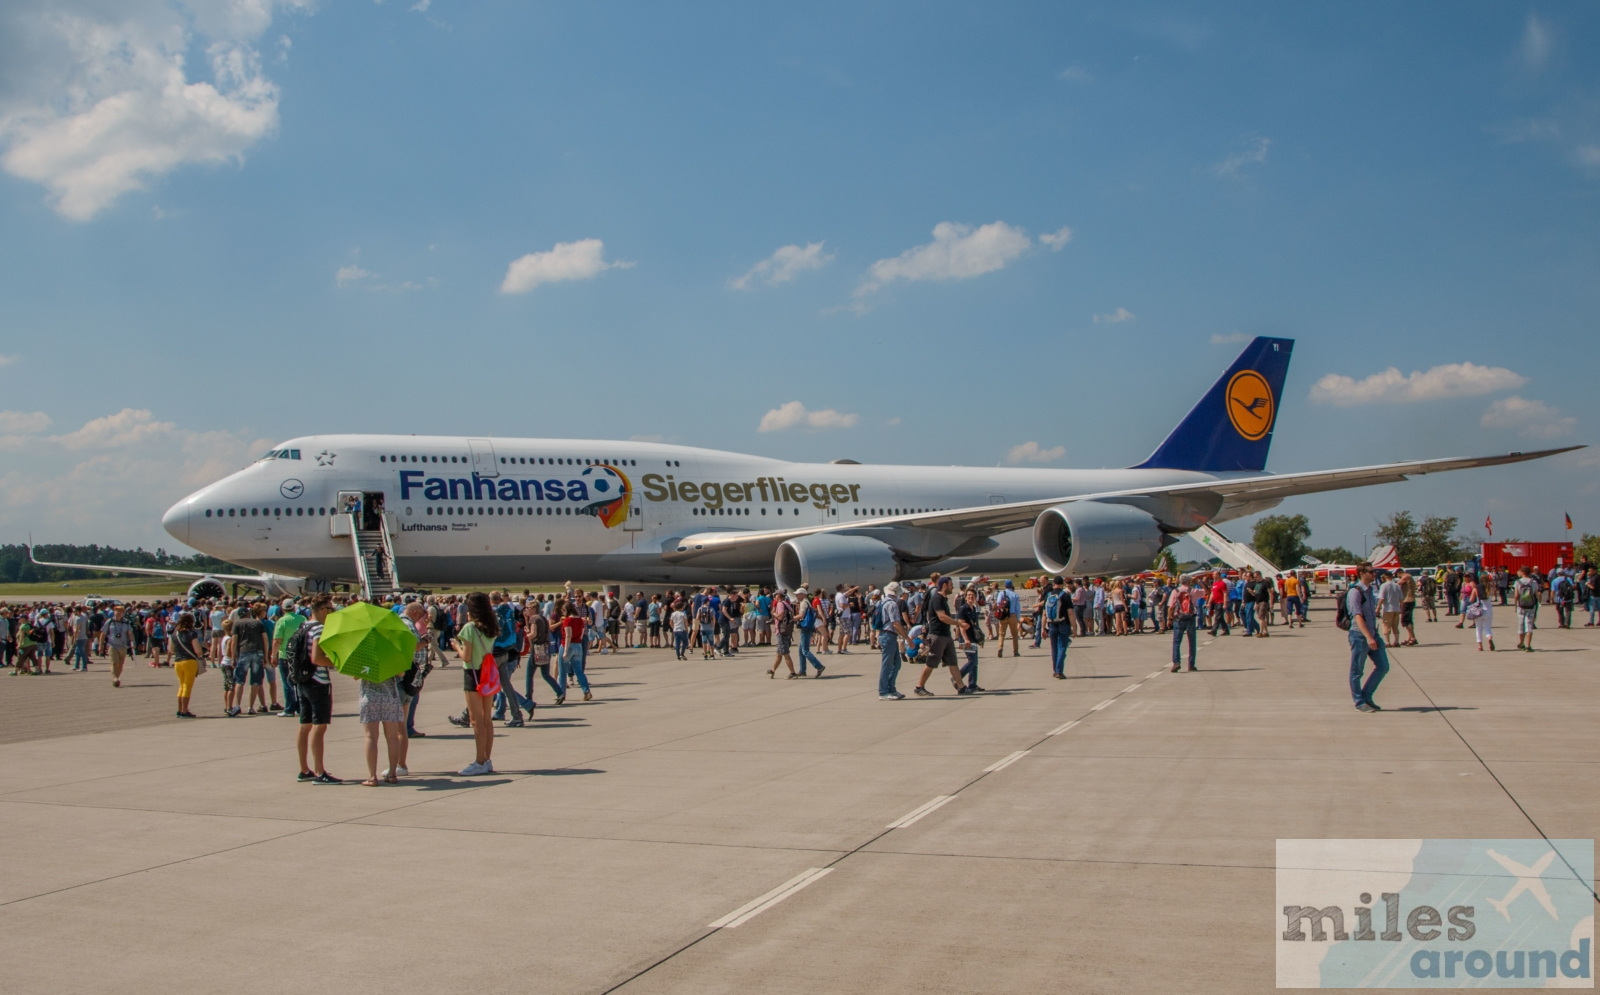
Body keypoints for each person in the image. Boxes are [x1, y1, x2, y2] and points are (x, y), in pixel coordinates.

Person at [294, 594, 341, 783]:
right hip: (318, 681)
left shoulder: (304, 626)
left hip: (303, 680)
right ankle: (320, 772)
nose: (332, 612)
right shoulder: (320, 629)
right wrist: (335, 662)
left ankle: (304, 769)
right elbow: (316, 658)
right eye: (331, 609)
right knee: (319, 726)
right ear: (323, 610)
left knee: (304, 724)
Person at [453, 591, 499, 775]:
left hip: (473, 672)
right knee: (487, 719)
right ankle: (486, 759)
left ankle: (479, 761)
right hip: (487, 672)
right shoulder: (491, 626)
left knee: (476, 720)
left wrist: (456, 646)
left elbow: (467, 656)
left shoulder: (470, 628)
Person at [913, 577, 971, 696]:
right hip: (937, 636)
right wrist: (959, 623)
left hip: (946, 635)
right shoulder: (937, 598)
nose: (952, 587)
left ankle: (961, 687)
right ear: (944, 585)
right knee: (931, 662)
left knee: (953, 662)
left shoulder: (943, 599)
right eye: (951, 584)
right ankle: (919, 687)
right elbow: (942, 617)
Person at [1346, 563, 1387, 711]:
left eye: (1374, 571)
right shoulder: (1355, 592)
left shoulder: (1371, 590)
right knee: (1357, 671)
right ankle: (1359, 701)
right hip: (1359, 636)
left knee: (1383, 667)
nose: (1374, 574)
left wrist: (1374, 635)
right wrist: (1369, 637)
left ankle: (1366, 695)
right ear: (1362, 573)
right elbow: (1357, 617)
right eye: (1371, 572)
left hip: (1373, 634)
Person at [357, 662, 406, 786]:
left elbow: (356, 676)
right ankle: (392, 774)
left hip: (369, 696)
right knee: (392, 737)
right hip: (389, 696)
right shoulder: (390, 653)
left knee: (370, 736)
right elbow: (401, 673)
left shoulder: (364, 654)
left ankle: (372, 777)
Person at [234, 604, 273, 714]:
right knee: (255, 681)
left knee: (240, 680)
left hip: (244, 651)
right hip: (257, 652)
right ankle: (250, 707)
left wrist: (233, 656)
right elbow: (265, 640)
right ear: (248, 613)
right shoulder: (258, 623)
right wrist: (265, 656)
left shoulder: (237, 624)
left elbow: (234, 641)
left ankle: (237, 705)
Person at [875, 581, 910, 699]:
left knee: (895, 663)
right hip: (889, 635)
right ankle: (884, 691)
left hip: (885, 634)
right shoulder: (892, 605)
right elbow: (895, 623)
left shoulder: (882, 602)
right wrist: (907, 638)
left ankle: (890, 688)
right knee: (888, 664)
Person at [271, 600, 304, 718]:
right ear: (294, 608)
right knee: (299, 682)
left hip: (285, 654)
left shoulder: (282, 621)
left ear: (283, 609)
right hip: (299, 654)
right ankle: (301, 707)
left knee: (287, 682)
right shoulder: (302, 619)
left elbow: (277, 640)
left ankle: (289, 708)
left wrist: (273, 655)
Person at [556, 601, 592, 702]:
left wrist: (565, 651)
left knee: (562, 671)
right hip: (578, 646)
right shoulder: (580, 620)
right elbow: (581, 634)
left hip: (568, 645)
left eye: (563, 611)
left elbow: (568, 635)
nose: (563, 613)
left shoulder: (567, 620)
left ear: (567, 610)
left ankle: (561, 693)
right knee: (579, 671)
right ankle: (586, 691)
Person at [170, 612, 204, 718]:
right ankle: (184, 711)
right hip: (189, 661)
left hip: (178, 662)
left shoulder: (174, 634)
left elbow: (171, 650)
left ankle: (180, 710)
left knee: (181, 685)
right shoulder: (192, 633)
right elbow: (198, 650)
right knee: (187, 687)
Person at [957, 585, 986, 691]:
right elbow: (961, 625)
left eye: (973, 595)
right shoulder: (963, 609)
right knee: (972, 661)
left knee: (975, 663)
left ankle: (972, 684)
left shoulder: (973, 608)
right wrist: (966, 639)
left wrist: (980, 640)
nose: (970, 597)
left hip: (973, 638)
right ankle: (957, 678)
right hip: (966, 638)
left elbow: (975, 625)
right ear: (965, 597)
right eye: (968, 595)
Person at [1168, 576, 1198, 672]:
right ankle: (1191, 664)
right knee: (1192, 642)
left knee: (1176, 642)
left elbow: (1171, 607)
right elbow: (1207, 591)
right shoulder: (1193, 591)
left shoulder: (1175, 591)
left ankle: (1176, 662)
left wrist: (1169, 618)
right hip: (1190, 618)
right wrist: (1198, 582)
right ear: (1189, 581)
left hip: (1179, 619)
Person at [1044, 576, 1071, 679]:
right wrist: (1074, 626)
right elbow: (1070, 613)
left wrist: (1043, 628)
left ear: (1053, 583)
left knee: (1054, 649)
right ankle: (1059, 671)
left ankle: (1055, 670)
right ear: (1062, 584)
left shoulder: (1049, 595)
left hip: (1051, 624)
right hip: (1063, 623)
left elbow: (1044, 614)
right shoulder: (1065, 595)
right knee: (1062, 647)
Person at [103, 605, 134, 688]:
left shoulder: (126, 622)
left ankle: (117, 677)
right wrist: (100, 645)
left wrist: (133, 643)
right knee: (114, 663)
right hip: (112, 645)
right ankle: (115, 678)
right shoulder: (110, 621)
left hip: (123, 645)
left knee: (120, 664)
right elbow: (103, 633)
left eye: (121, 611)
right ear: (114, 611)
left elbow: (130, 633)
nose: (119, 612)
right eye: (117, 611)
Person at [769, 591, 797, 678]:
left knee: (785, 653)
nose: (774, 597)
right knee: (779, 653)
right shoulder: (787, 604)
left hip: (781, 631)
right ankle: (772, 671)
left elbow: (780, 616)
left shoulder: (780, 604)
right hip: (787, 630)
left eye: (775, 595)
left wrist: (773, 613)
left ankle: (792, 673)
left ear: (778, 595)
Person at [1512, 566, 1539, 652]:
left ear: (1523, 572)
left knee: (1521, 625)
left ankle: (1521, 643)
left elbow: (1516, 595)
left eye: (1519, 571)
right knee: (1529, 625)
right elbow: (1536, 594)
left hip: (1521, 606)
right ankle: (1528, 646)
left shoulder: (1517, 582)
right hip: (1531, 606)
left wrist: (1515, 605)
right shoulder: (1533, 582)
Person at [1467, 573, 1495, 651]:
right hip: (1488, 610)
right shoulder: (1490, 588)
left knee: (1478, 628)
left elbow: (1471, 600)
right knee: (1487, 628)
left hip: (1478, 611)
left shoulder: (1476, 588)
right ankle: (1489, 638)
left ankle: (1480, 646)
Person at [994, 580, 1021, 657]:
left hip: (1004, 615)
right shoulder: (1015, 595)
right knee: (1014, 634)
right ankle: (1016, 651)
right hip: (1012, 615)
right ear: (1012, 586)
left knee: (1001, 633)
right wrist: (1018, 618)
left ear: (1005, 586)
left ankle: (1000, 647)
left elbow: (998, 603)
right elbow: (1017, 607)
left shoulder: (1002, 593)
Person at [1377, 572, 1403, 646]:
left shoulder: (1384, 586)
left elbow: (1382, 598)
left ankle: (1387, 642)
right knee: (1395, 626)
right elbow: (1401, 598)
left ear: (1385, 577)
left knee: (1386, 625)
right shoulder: (1397, 585)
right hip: (1396, 608)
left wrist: (1378, 607)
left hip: (1387, 608)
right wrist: (1401, 608)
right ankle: (1396, 641)